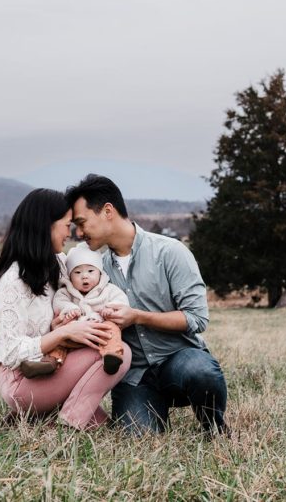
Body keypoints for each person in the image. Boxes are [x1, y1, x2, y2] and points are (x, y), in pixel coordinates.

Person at [64, 174, 228, 435]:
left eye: (82, 223)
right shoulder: (94, 271)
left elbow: (197, 319)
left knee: (201, 372)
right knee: (140, 440)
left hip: (178, 359)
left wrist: (138, 317)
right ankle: (149, 411)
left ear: (108, 211)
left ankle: (214, 428)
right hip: (134, 377)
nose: (79, 233)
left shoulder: (170, 252)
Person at [0, 188, 132, 430]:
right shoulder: (12, 281)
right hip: (22, 379)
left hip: (54, 366)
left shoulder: (59, 264)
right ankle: (67, 422)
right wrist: (65, 333)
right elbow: (11, 352)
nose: (70, 232)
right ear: (46, 226)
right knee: (121, 352)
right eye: (66, 225)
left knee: (101, 424)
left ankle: (47, 415)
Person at [46, 244, 129, 374]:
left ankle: (112, 355)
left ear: (100, 273)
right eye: (77, 272)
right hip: (74, 331)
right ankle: (51, 360)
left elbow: (121, 301)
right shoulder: (66, 291)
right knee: (59, 335)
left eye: (91, 271)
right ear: (70, 276)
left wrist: (110, 310)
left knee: (111, 328)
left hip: (99, 330)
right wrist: (70, 309)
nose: (84, 276)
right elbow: (59, 301)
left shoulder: (108, 289)